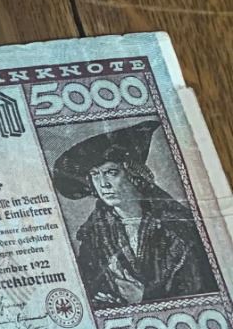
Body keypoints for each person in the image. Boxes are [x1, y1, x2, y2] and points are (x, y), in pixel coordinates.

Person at [53, 119, 219, 308]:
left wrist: (146, 297)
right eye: (95, 175)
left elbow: (200, 288)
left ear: (134, 175)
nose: (103, 184)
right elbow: (89, 289)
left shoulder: (177, 226)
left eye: (111, 172)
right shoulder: (94, 235)